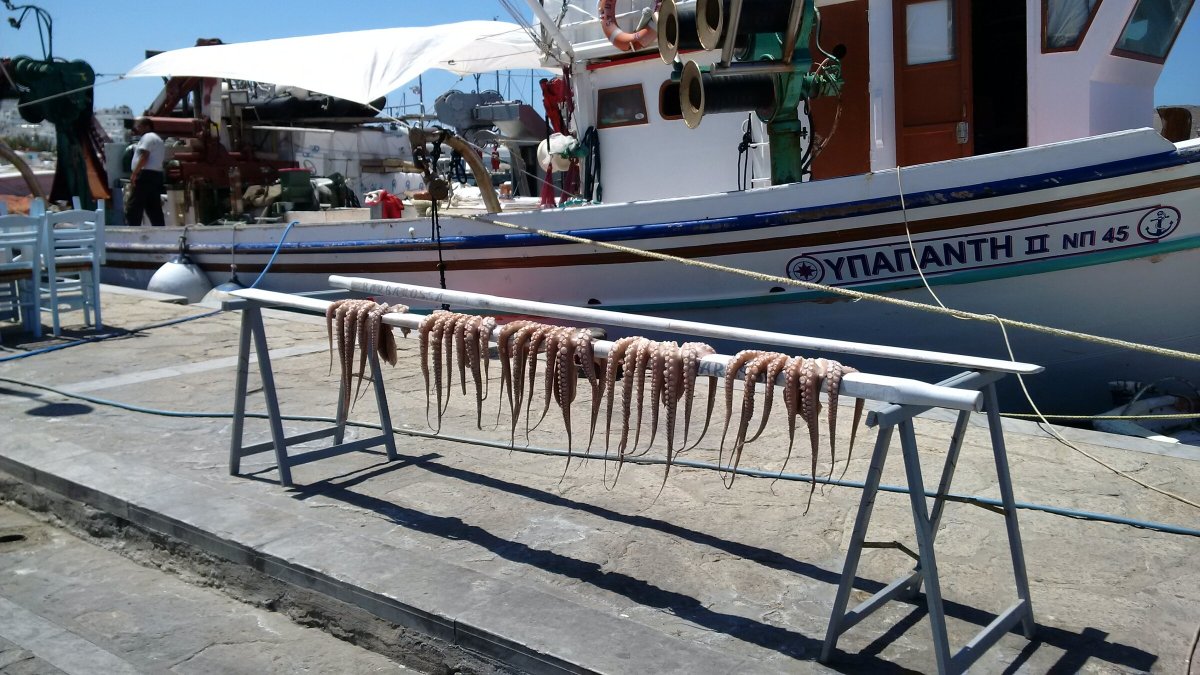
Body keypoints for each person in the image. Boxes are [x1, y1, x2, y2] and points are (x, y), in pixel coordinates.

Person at [126, 117, 165, 226]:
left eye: (140, 126)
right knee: (153, 207)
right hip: (156, 175)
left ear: (147, 127)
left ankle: (133, 232)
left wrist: (134, 173)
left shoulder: (147, 137)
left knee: (133, 207)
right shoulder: (158, 139)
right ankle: (160, 232)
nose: (138, 129)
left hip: (145, 175)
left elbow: (144, 156)